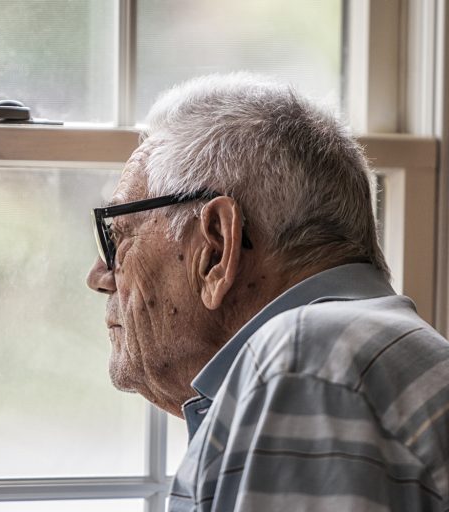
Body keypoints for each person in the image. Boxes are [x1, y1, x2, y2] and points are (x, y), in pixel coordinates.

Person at [86, 73, 449, 511]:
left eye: (119, 237)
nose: (100, 275)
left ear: (216, 247)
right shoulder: (352, 356)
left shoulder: (309, 364)